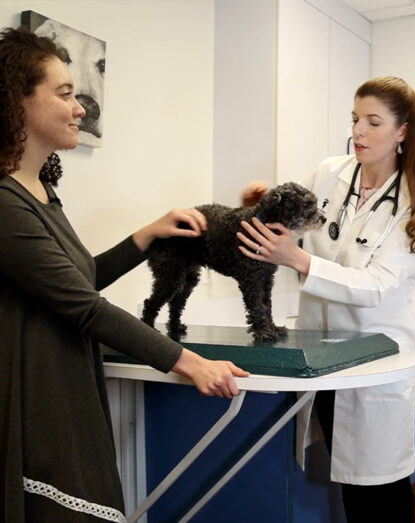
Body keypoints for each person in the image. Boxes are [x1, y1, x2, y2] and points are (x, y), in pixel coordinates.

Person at [0, 27, 249, 522]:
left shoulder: (41, 195)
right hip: (34, 401)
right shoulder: (5, 204)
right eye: (65, 94)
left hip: (67, 389)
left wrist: (149, 235)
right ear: (16, 102)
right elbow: (83, 306)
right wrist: (187, 361)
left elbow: (81, 277)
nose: (80, 108)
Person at [238, 76, 415, 522]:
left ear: (402, 132)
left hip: (376, 359)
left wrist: (300, 261)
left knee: (381, 489)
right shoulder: (330, 172)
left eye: (373, 122)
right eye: (355, 119)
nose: (359, 132)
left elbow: (377, 286)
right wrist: (266, 209)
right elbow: (300, 228)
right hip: (325, 353)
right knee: (351, 488)